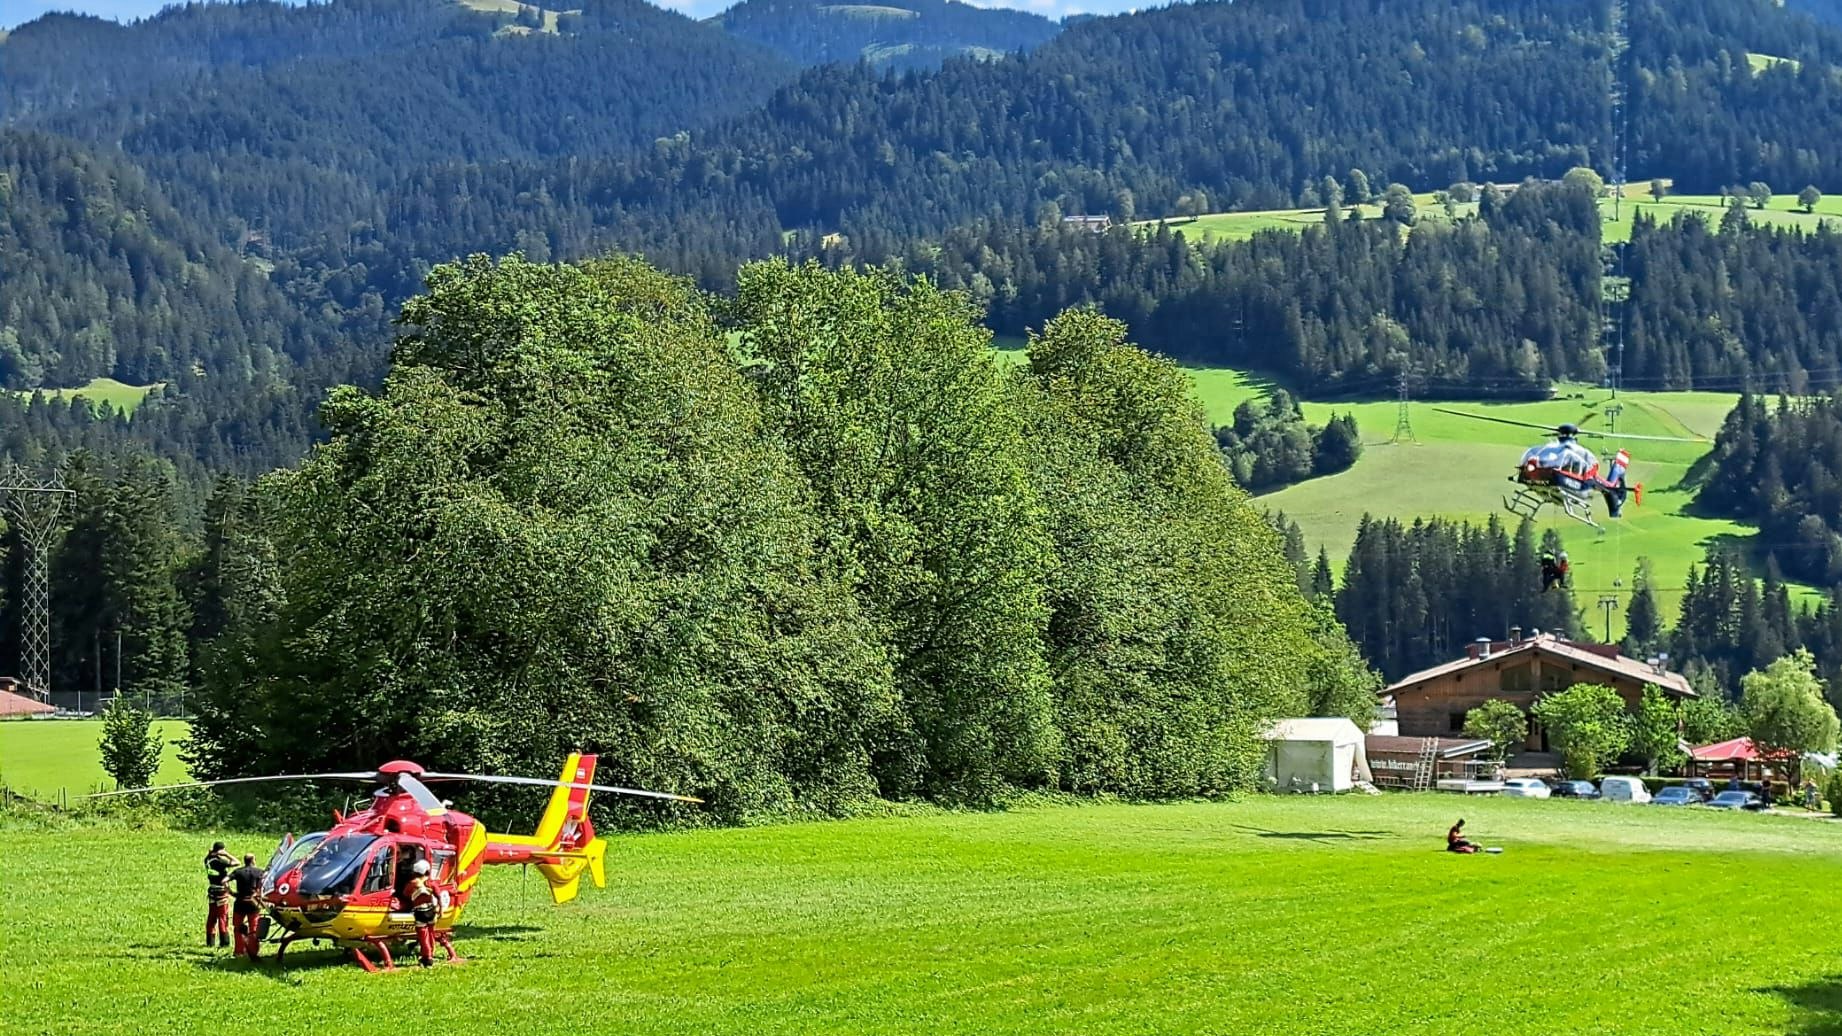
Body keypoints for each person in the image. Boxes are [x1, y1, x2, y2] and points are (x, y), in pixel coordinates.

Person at [403, 859, 441, 967]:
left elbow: (405, 894)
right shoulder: (430, 883)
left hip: (420, 912)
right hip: (431, 911)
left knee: (423, 936)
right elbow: (438, 895)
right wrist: (440, 909)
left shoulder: (412, 884)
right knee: (431, 933)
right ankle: (431, 954)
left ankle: (427, 957)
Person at [228, 854, 266, 960]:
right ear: (253, 860)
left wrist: (230, 892)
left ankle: (239, 951)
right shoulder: (259, 872)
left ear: (244, 861)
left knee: (238, 927)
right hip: (253, 902)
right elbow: (264, 883)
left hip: (240, 902)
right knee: (253, 929)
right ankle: (253, 951)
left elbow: (224, 880)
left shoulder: (238, 871)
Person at [203, 842, 236, 948]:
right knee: (223, 917)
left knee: (212, 917)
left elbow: (208, 857)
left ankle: (210, 942)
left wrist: (212, 853)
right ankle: (224, 942)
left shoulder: (208, 860)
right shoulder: (220, 862)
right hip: (221, 891)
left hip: (212, 890)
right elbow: (236, 862)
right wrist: (226, 854)